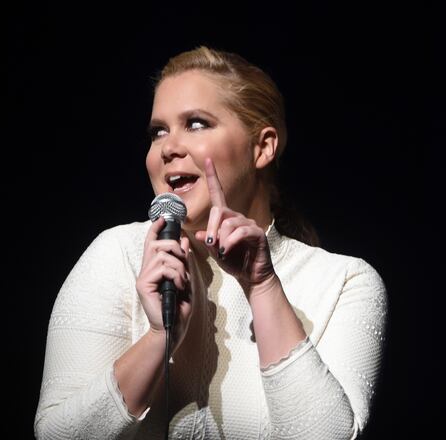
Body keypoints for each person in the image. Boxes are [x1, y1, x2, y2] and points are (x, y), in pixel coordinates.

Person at [33, 46, 388, 439]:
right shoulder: (116, 253)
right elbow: (56, 435)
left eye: (197, 124)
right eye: (158, 131)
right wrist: (158, 340)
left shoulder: (343, 282)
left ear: (263, 146)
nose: (168, 147)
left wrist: (263, 285)